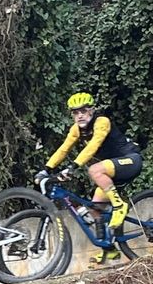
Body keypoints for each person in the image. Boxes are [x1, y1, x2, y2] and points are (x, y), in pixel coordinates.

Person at [38, 91, 143, 265]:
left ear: (91, 111)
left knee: (94, 169)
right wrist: (46, 169)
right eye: (75, 112)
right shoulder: (76, 129)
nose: (79, 115)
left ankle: (119, 205)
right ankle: (109, 251)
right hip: (111, 171)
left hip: (130, 160)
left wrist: (73, 167)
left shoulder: (102, 122)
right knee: (95, 208)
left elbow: (93, 146)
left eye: (83, 111)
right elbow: (63, 149)